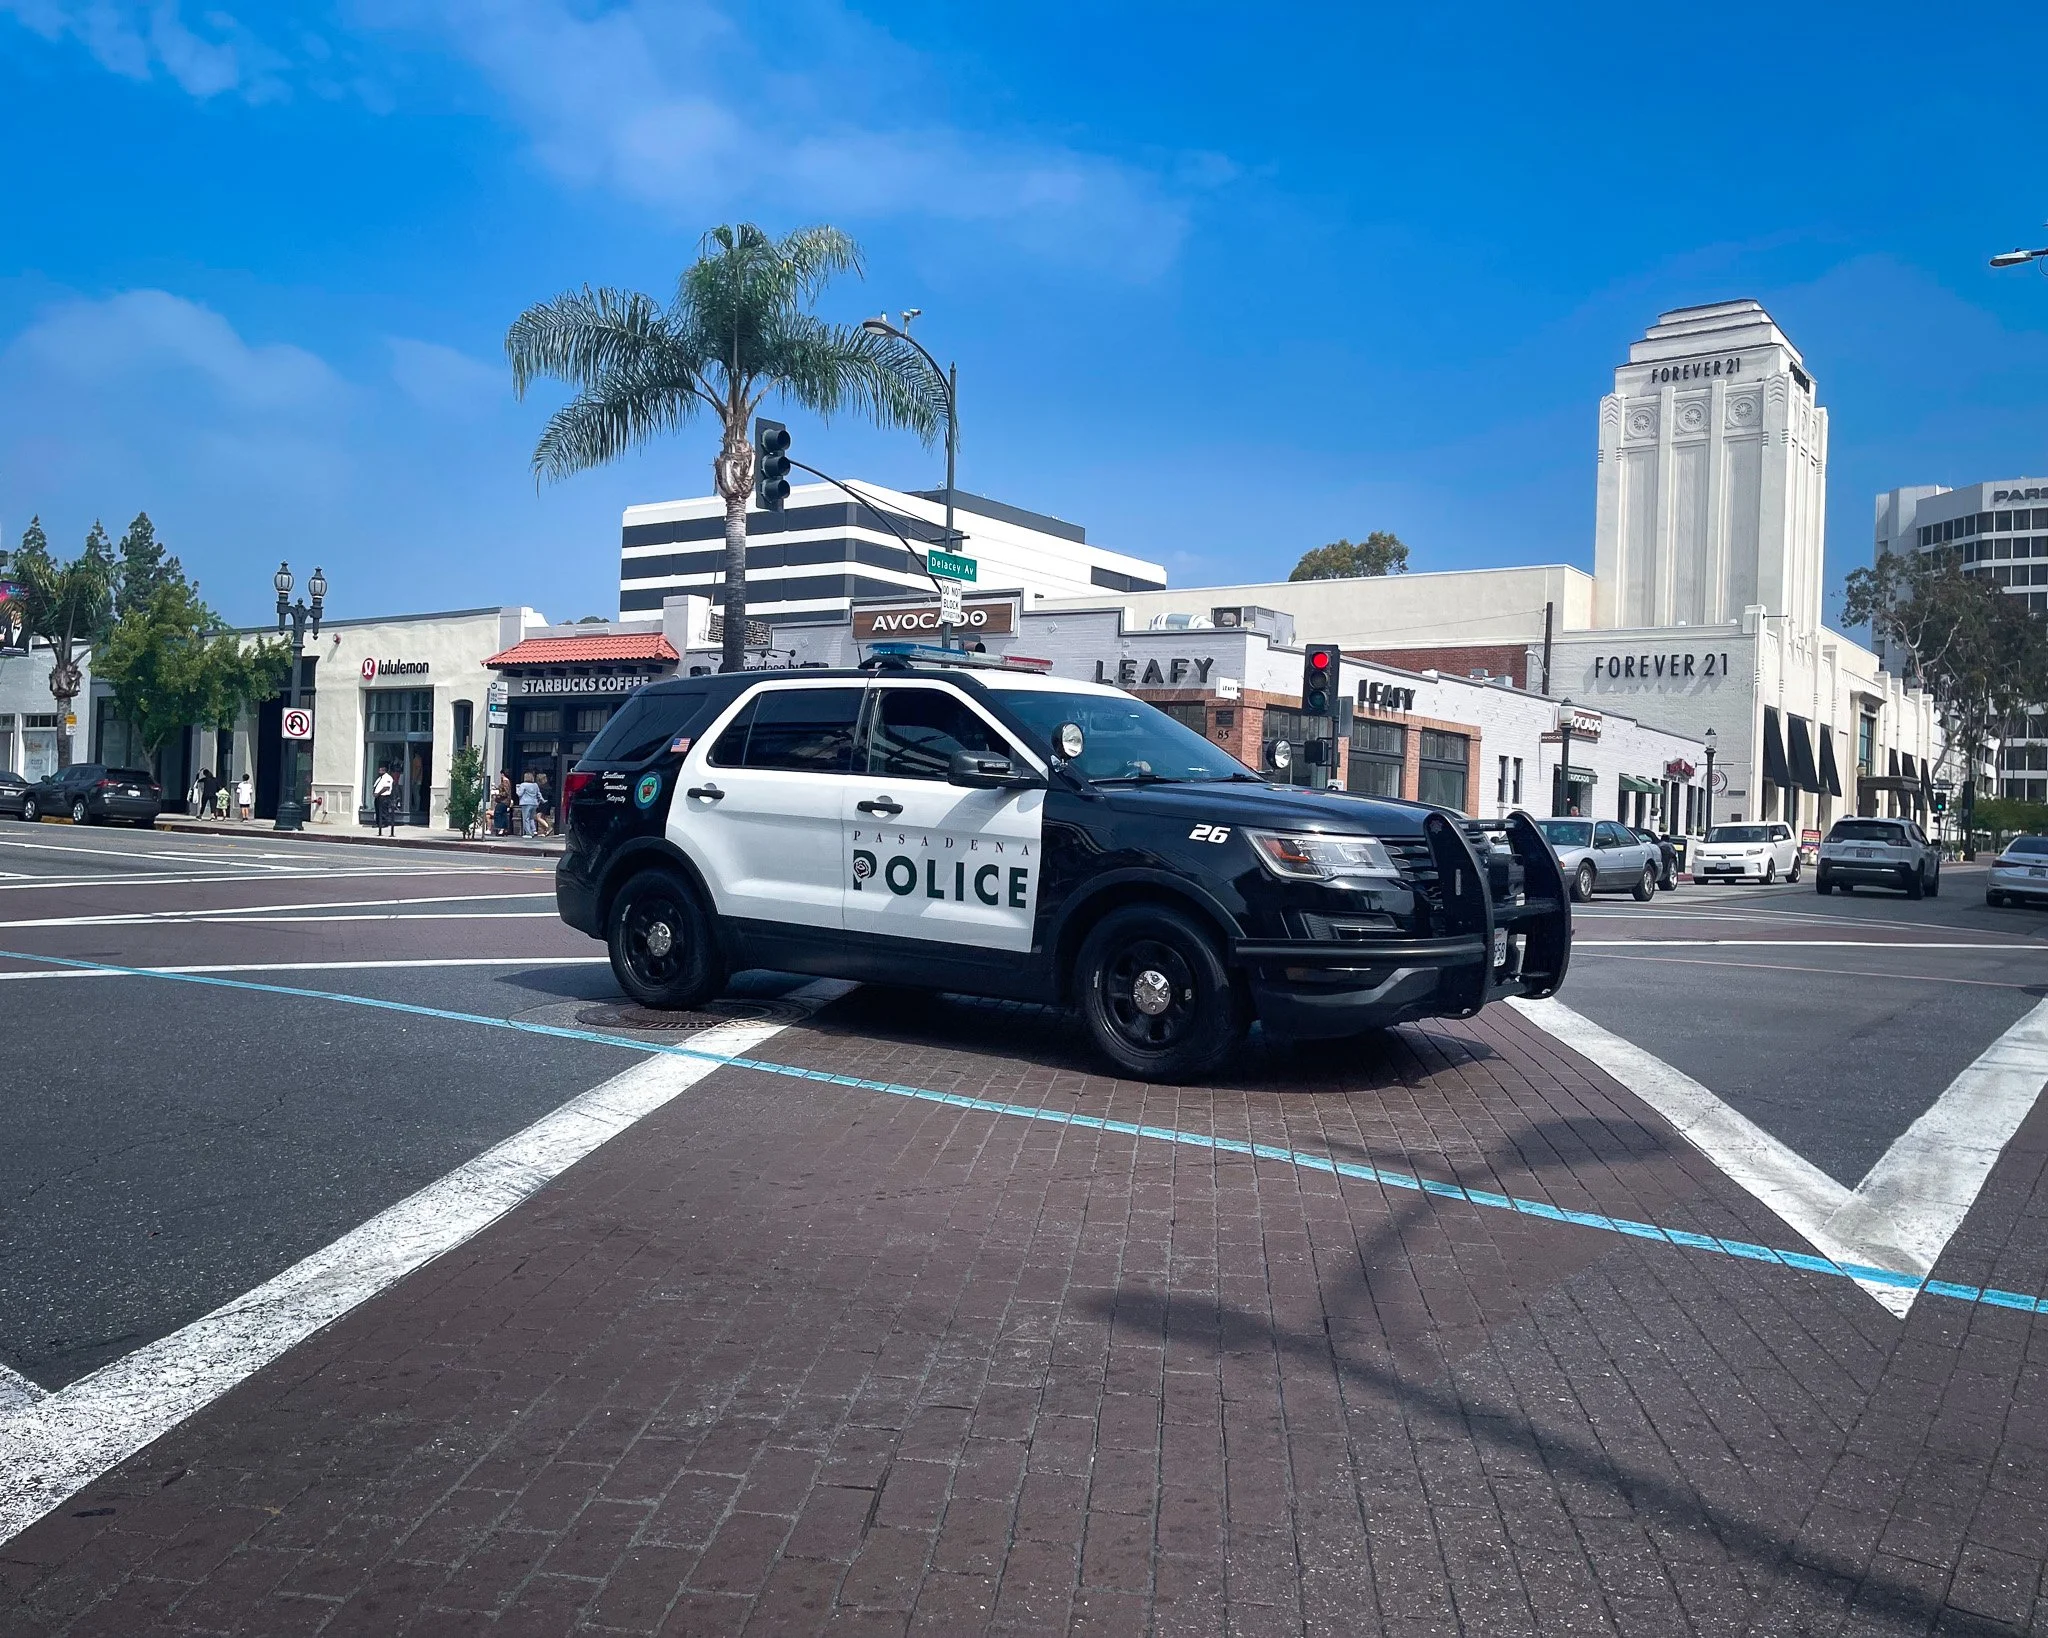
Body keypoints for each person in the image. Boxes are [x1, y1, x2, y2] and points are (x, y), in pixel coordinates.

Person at [373, 763, 396, 836]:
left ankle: (384, 823)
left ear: (384, 770)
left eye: (380, 770)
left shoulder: (388, 777)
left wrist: (378, 793)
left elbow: (386, 787)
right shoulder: (380, 778)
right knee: (378, 810)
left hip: (384, 796)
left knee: (383, 810)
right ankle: (378, 823)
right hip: (378, 797)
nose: (379, 771)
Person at [516, 771, 541, 838]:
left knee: (526, 818)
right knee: (531, 818)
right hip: (534, 803)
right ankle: (534, 830)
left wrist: (517, 789)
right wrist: (542, 800)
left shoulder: (523, 785)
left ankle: (528, 833)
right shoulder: (535, 785)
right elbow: (539, 794)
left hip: (525, 803)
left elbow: (519, 794)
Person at [491, 772, 515, 837]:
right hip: (504, 801)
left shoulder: (505, 781)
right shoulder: (505, 781)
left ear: (502, 774)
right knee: (503, 815)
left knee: (498, 813)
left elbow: (506, 792)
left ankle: (500, 828)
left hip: (503, 801)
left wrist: (497, 794)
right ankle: (503, 829)